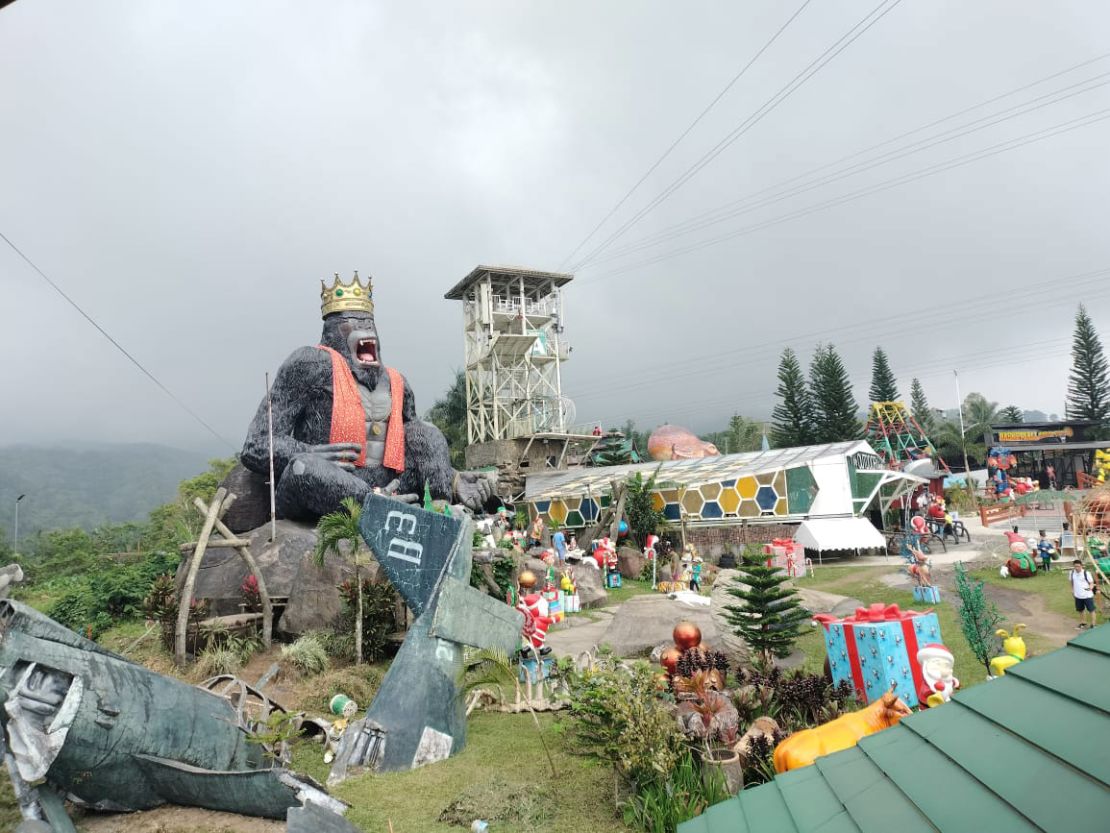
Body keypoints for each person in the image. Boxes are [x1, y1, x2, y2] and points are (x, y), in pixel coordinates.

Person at [1070, 559, 1098, 629]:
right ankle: (1083, 623)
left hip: (1087, 595)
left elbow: (1091, 583)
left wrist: (1089, 589)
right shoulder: (1072, 573)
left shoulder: (1086, 573)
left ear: (1081, 566)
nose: (1077, 568)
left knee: (1091, 610)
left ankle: (1093, 625)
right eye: (1075, 566)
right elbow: (1071, 581)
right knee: (1080, 610)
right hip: (1078, 596)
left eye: (1078, 566)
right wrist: (1072, 589)